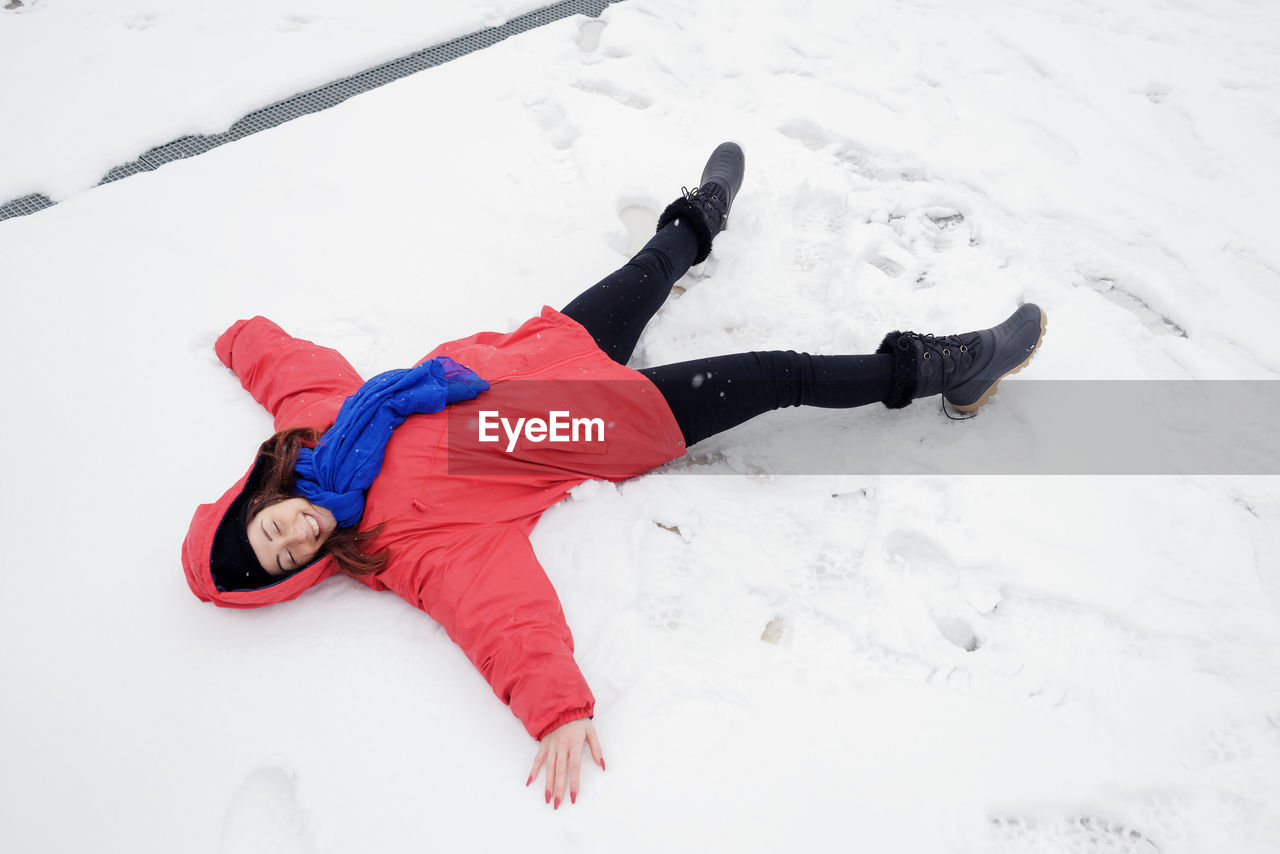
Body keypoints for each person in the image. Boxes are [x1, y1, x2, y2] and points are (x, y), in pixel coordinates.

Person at [182, 142, 1046, 808]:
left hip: (547, 350)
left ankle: (701, 218)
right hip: (608, 424)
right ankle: (949, 367)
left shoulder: (317, 430)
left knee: (649, 269)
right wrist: (556, 706)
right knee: (781, 372)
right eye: (290, 559)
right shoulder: (403, 547)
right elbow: (497, 612)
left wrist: (232, 335)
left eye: (272, 529)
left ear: (265, 500)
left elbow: (283, 363)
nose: (297, 537)